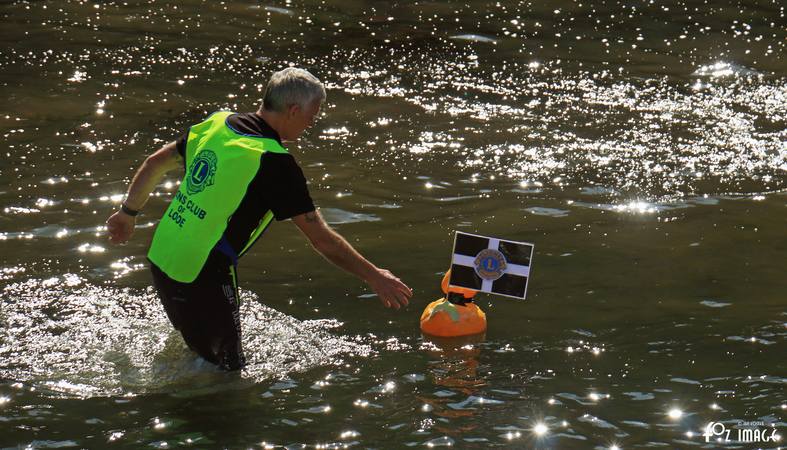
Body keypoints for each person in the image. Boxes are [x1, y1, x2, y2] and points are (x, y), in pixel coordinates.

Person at [106, 67, 412, 370]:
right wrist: (374, 276)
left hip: (163, 255)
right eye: (312, 116)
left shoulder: (217, 123)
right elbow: (320, 238)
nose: (312, 124)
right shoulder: (273, 161)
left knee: (197, 351)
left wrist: (127, 213)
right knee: (229, 372)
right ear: (293, 111)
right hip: (202, 271)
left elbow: (155, 162)